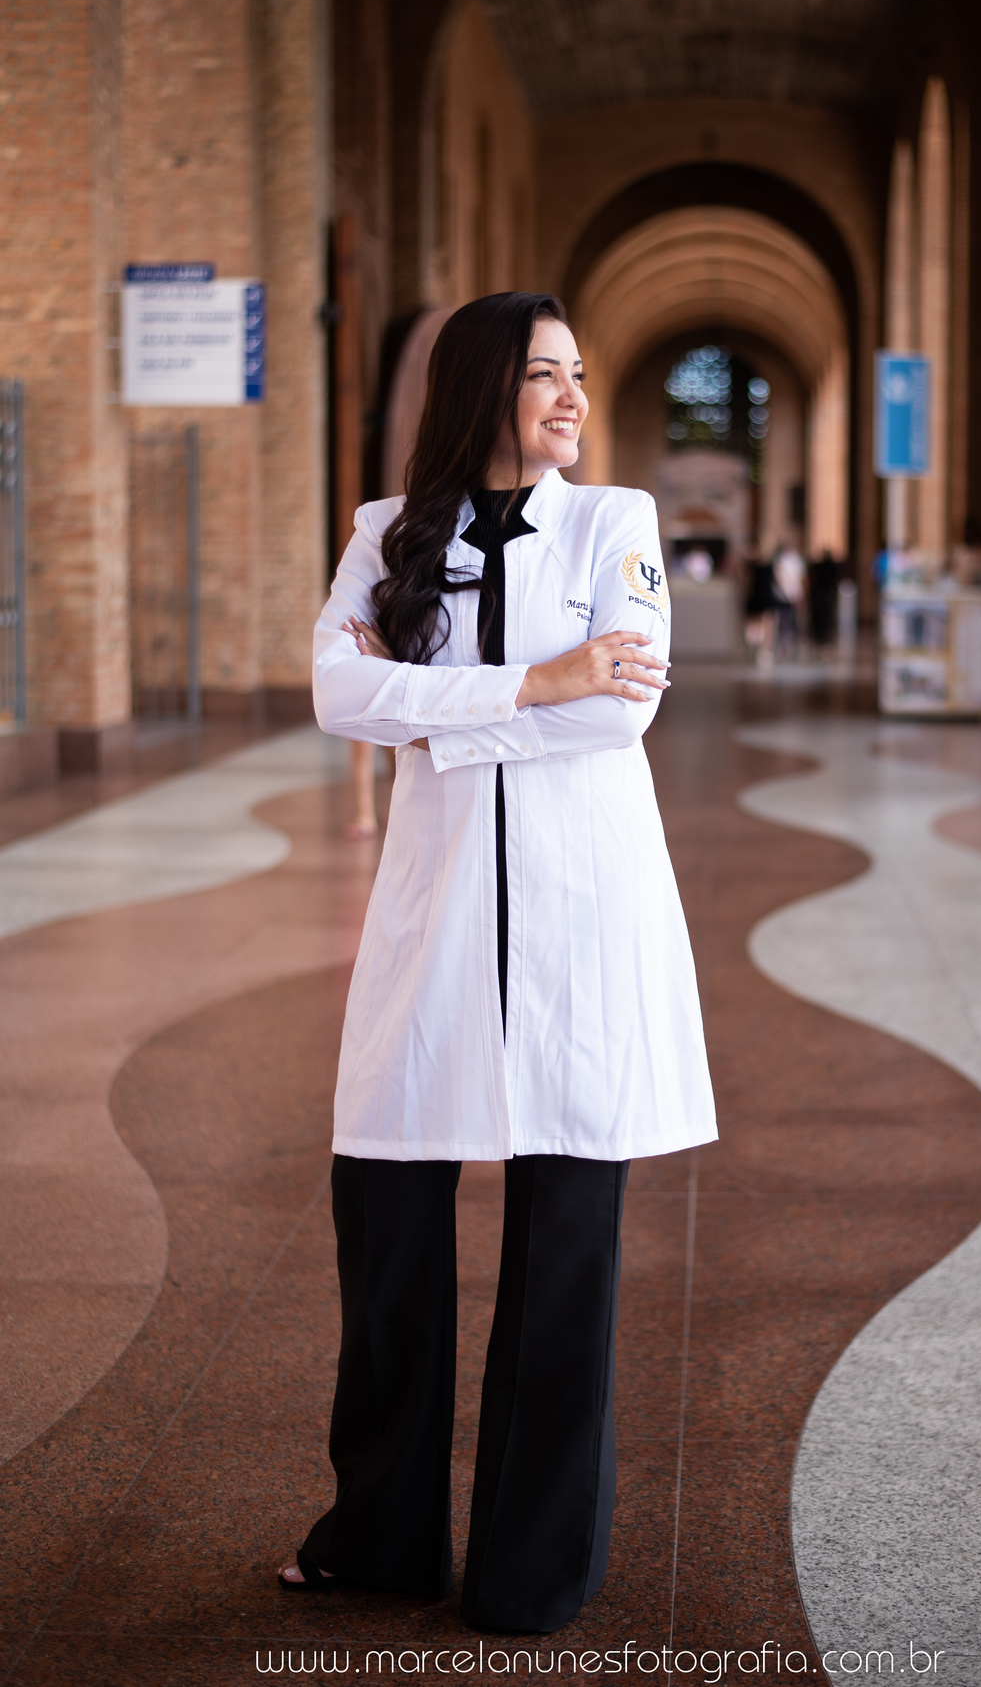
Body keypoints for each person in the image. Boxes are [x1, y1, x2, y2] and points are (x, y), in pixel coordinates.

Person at [281, 292, 717, 1633]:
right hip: (438, 916)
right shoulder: (383, 534)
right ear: (481, 386)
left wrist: (441, 721)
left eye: (579, 375)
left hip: (584, 917)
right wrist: (533, 683)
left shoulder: (615, 520)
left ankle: (534, 1568)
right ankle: (382, 1533)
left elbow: (625, 709)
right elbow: (334, 694)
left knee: (566, 1244)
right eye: (544, 375)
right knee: (388, 1215)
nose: (573, 398)